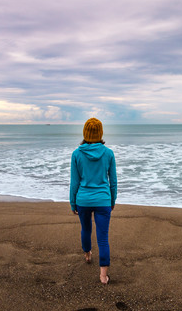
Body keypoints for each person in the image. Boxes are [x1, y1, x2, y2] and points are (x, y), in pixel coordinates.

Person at [70, 117, 117, 284]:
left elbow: (74, 182)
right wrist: (113, 200)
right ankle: (103, 276)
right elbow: (113, 181)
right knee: (103, 237)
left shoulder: (76, 154)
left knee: (86, 229)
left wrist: (72, 202)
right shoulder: (109, 153)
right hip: (103, 199)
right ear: (100, 133)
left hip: (83, 199)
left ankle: (88, 254)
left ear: (85, 133)